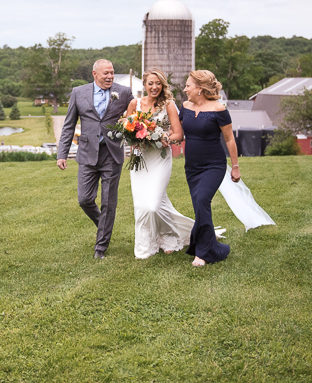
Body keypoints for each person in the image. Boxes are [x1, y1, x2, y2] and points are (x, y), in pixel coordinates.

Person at [57, 59, 133, 259]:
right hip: (87, 153)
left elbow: (136, 116)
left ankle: (101, 247)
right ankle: (104, 225)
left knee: (109, 202)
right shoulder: (78, 92)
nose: (109, 76)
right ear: (94, 74)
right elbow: (68, 125)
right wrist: (62, 153)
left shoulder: (124, 93)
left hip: (112, 153)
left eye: (112, 72)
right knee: (85, 199)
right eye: (105, 73)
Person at [125, 68, 195, 259]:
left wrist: (166, 138)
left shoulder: (169, 104)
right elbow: (126, 126)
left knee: (154, 203)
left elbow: (178, 134)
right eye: (150, 83)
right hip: (140, 159)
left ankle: (170, 234)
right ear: (145, 85)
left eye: (158, 83)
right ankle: (149, 244)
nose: (154, 87)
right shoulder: (135, 103)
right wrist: (133, 137)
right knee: (142, 204)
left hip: (161, 158)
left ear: (163, 85)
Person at [180, 70, 241, 267]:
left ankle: (204, 252)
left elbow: (229, 138)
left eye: (188, 85)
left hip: (213, 164)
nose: (185, 89)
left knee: (202, 200)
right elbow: (179, 133)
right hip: (192, 166)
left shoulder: (219, 109)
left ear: (199, 88)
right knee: (198, 205)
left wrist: (236, 167)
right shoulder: (185, 106)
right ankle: (203, 243)